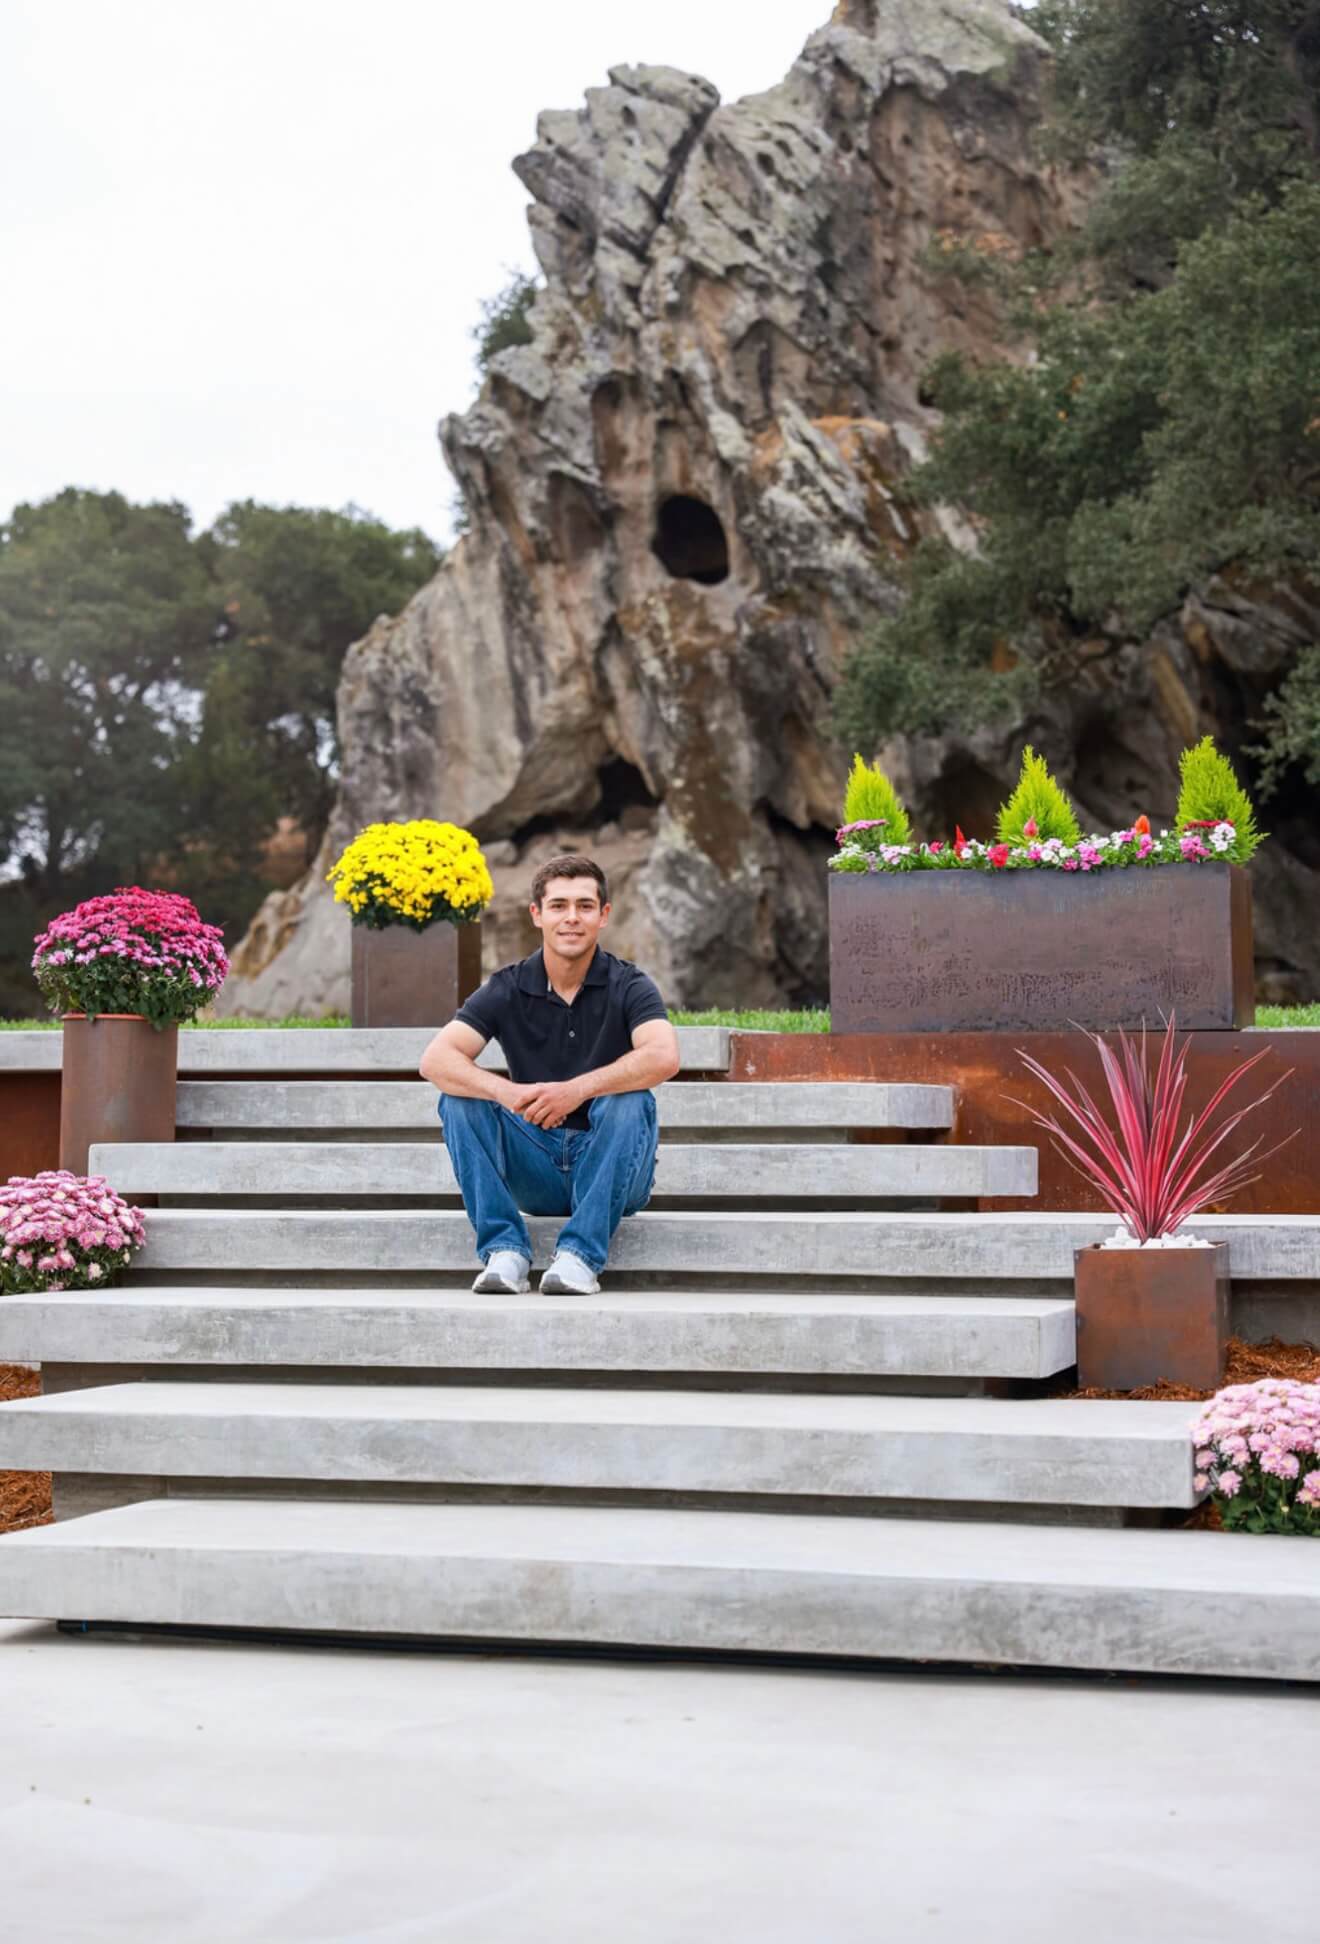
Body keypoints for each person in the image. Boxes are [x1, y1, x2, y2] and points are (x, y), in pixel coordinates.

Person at [419, 853, 681, 1295]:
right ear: (537, 915)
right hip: (534, 1163)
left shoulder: (630, 985)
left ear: (604, 915)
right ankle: (506, 1253)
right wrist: (507, 1094)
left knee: (631, 1099)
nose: (572, 918)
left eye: (584, 906)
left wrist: (575, 1092)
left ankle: (580, 1257)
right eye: (559, 906)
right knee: (459, 1097)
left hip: (614, 1165)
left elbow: (664, 1055)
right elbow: (436, 1060)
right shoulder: (507, 986)